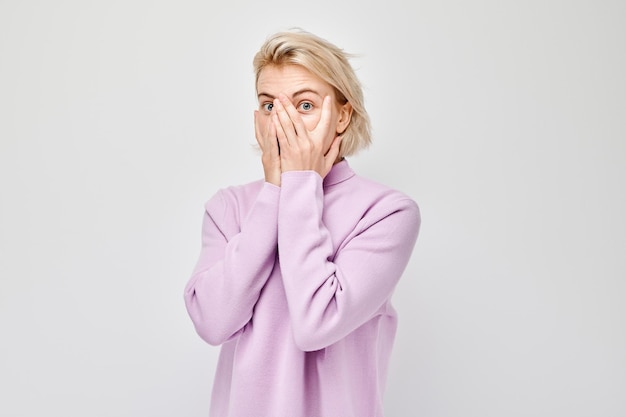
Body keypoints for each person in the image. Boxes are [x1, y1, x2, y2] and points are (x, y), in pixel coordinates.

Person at [184, 28, 421, 417]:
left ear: (342, 116)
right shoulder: (227, 207)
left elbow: (317, 323)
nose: (283, 123)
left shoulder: (386, 212)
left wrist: (299, 185)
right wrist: (276, 191)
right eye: (269, 106)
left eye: (305, 105)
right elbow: (212, 323)